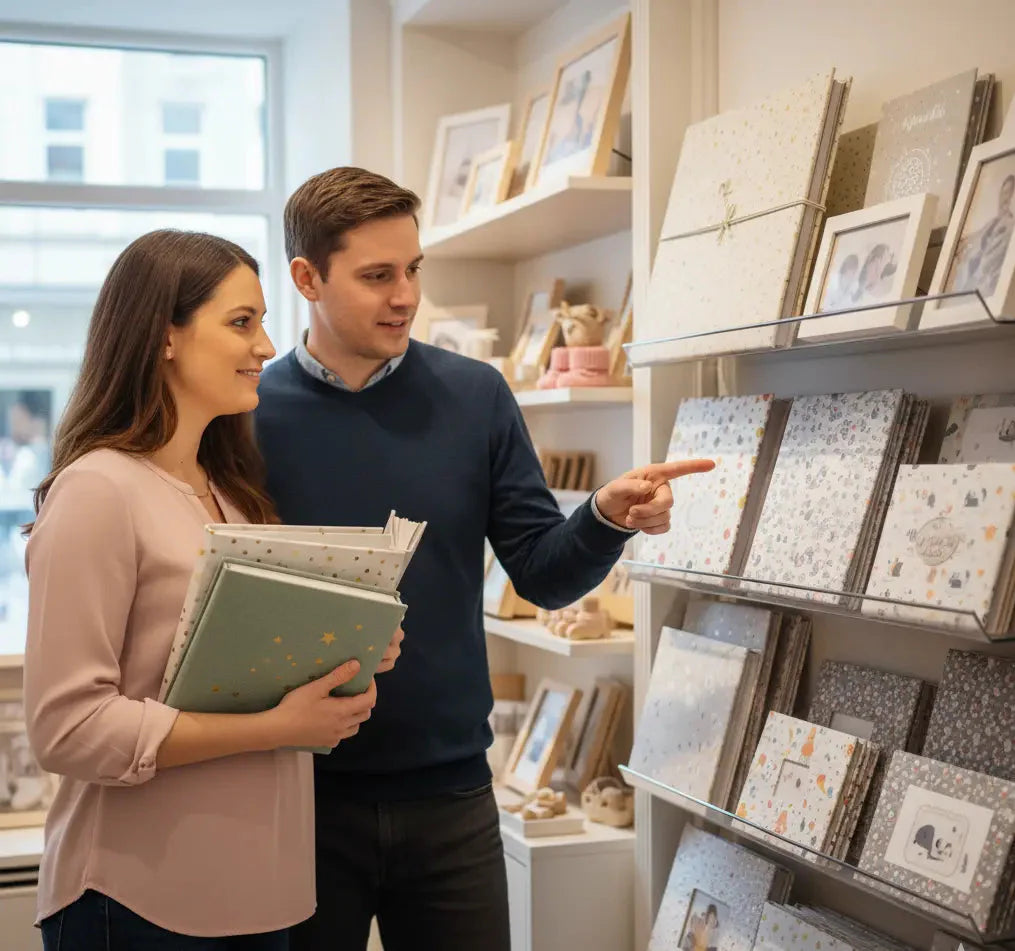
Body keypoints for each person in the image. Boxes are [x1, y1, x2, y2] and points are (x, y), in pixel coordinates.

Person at [253, 166, 714, 951]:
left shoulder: (476, 395)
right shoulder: (250, 414)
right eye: (376, 276)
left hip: (452, 797)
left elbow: (540, 568)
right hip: (295, 797)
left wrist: (602, 517)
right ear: (306, 277)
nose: (405, 295)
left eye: (412, 269)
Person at [23, 229, 381, 950]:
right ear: (165, 338)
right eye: (241, 322)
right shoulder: (98, 489)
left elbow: (245, 675)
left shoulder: (234, 498)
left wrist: (348, 650)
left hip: (259, 896)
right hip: (137, 899)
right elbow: (66, 728)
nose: (267, 345)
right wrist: (280, 727)